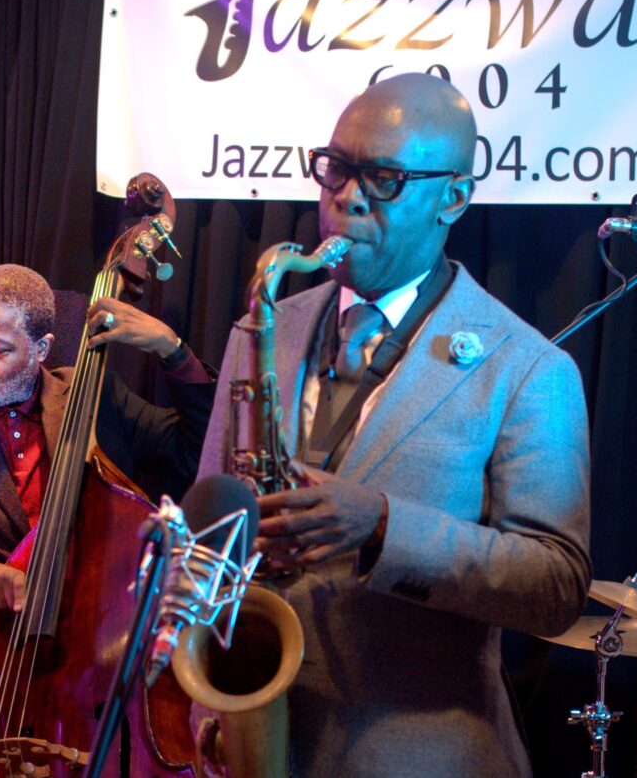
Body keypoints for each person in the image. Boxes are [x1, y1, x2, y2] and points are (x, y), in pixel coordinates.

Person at [194, 73, 592, 778]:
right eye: (337, 168)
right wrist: (209, 711)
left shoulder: (531, 367)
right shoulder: (262, 329)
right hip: (261, 743)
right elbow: (211, 534)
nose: (347, 196)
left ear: (454, 198)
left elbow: (556, 584)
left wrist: (382, 525)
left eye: (383, 177)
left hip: (424, 756)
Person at [0, 263, 213, 778]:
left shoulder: (91, 393)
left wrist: (173, 351)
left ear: (41, 348)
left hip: (93, 661)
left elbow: (197, 450)